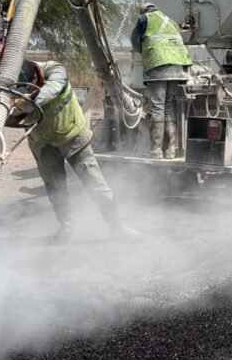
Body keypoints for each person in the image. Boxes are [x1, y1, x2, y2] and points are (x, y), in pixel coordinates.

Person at [12, 59, 140, 242]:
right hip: (42, 142)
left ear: (35, 77)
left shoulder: (55, 70)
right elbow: (5, 113)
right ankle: (66, 228)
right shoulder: (11, 86)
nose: (26, 93)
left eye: (28, 88)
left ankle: (117, 226)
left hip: (73, 136)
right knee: (56, 188)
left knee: (96, 184)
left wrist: (21, 104)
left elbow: (48, 92)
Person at [130, 3, 192, 159]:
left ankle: (156, 151)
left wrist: (142, 52)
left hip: (158, 66)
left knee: (157, 107)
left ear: (144, 11)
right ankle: (171, 150)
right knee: (170, 107)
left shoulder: (144, 19)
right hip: (178, 68)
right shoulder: (170, 20)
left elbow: (135, 42)